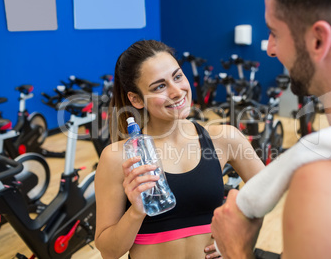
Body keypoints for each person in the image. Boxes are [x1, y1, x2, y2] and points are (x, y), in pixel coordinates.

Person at [211, 0, 331, 259]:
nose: (270, 49)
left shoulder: (327, 184)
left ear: (318, 40)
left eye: (274, 33)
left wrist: (236, 250)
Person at [94, 39, 264, 259]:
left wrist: (241, 238)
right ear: (135, 99)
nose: (177, 91)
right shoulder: (117, 157)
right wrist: (136, 212)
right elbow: (109, 252)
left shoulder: (224, 138)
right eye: (160, 86)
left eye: (177, 76)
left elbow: (269, 193)